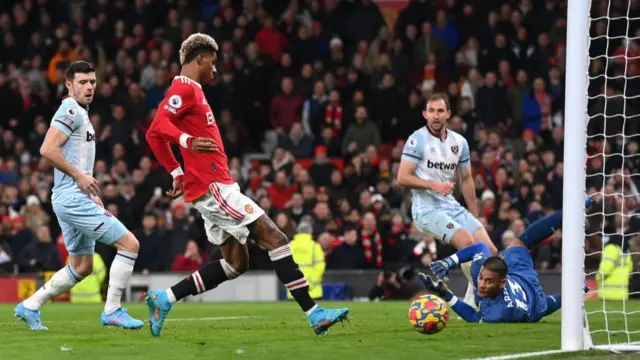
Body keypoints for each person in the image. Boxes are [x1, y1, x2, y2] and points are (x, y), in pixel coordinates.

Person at [144, 33, 348, 337]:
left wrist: (176, 172)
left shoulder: (194, 92)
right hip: (215, 187)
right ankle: (314, 313)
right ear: (200, 58)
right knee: (275, 238)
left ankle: (166, 298)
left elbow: (153, 136)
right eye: (213, 61)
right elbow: (157, 126)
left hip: (209, 188)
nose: (215, 68)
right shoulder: (183, 89)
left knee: (237, 263)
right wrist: (186, 142)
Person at [14, 61, 143, 330]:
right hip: (72, 197)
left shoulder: (80, 113)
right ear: (68, 85)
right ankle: (113, 310)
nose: (89, 87)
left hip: (70, 198)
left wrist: (86, 190)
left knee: (82, 266)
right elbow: (47, 149)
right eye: (82, 82)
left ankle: (29, 305)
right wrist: (80, 177)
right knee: (130, 245)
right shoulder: (71, 109)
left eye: (92, 82)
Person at [397, 92, 498, 307]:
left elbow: (467, 178)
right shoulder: (417, 140)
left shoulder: (459, 142)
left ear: (448, 114)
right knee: (469, 244)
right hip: (426, 209)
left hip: (451, 206)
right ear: (425, 114)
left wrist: (474, 214)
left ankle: (473, 296)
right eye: (431, 111)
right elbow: (402, 177)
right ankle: (478, 301)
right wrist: (435, 185)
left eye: (440, 111)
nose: (435, 116)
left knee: (490, 251)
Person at [422, 198, 592, 322]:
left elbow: (474, 317)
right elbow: (480, 247)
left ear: (501, 283)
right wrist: (448, 262)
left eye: (488, 281)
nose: (482, 284)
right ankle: (571, 210)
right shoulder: (481, 272)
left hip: (530, 297)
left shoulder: (498, 314)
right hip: (522, 277)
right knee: (520, 243)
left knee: (544, 307)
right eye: (481, 278)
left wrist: (444, 293)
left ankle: (575, 292)